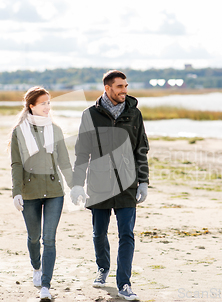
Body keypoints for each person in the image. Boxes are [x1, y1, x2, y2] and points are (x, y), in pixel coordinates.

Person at [70, 70, 149, 301]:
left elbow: (141, 150)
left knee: (127, 234)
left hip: (127, 184)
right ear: (107, 88)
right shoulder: (90, 115)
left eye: (126, 85)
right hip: (99, 184)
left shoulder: (134, 114)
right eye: (119, 86)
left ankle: (124, 283)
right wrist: (77, 185)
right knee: (99, 233)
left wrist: (143, 181)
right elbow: (82, 152)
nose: (125, 90)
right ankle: (103, 267)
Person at [10, 86, 73, 300]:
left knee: (49, 239)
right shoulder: (19, 131)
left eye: (49, 102)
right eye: (43, 103)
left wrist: (75, 185)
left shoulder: (55, 129)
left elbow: (64, 161)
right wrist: (16, 192)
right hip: (29, 192)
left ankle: (46, 284)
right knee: (34, 237)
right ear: (32, 106)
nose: (48, 107)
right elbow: (17, 164)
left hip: (55, 191)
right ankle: (36, 267)